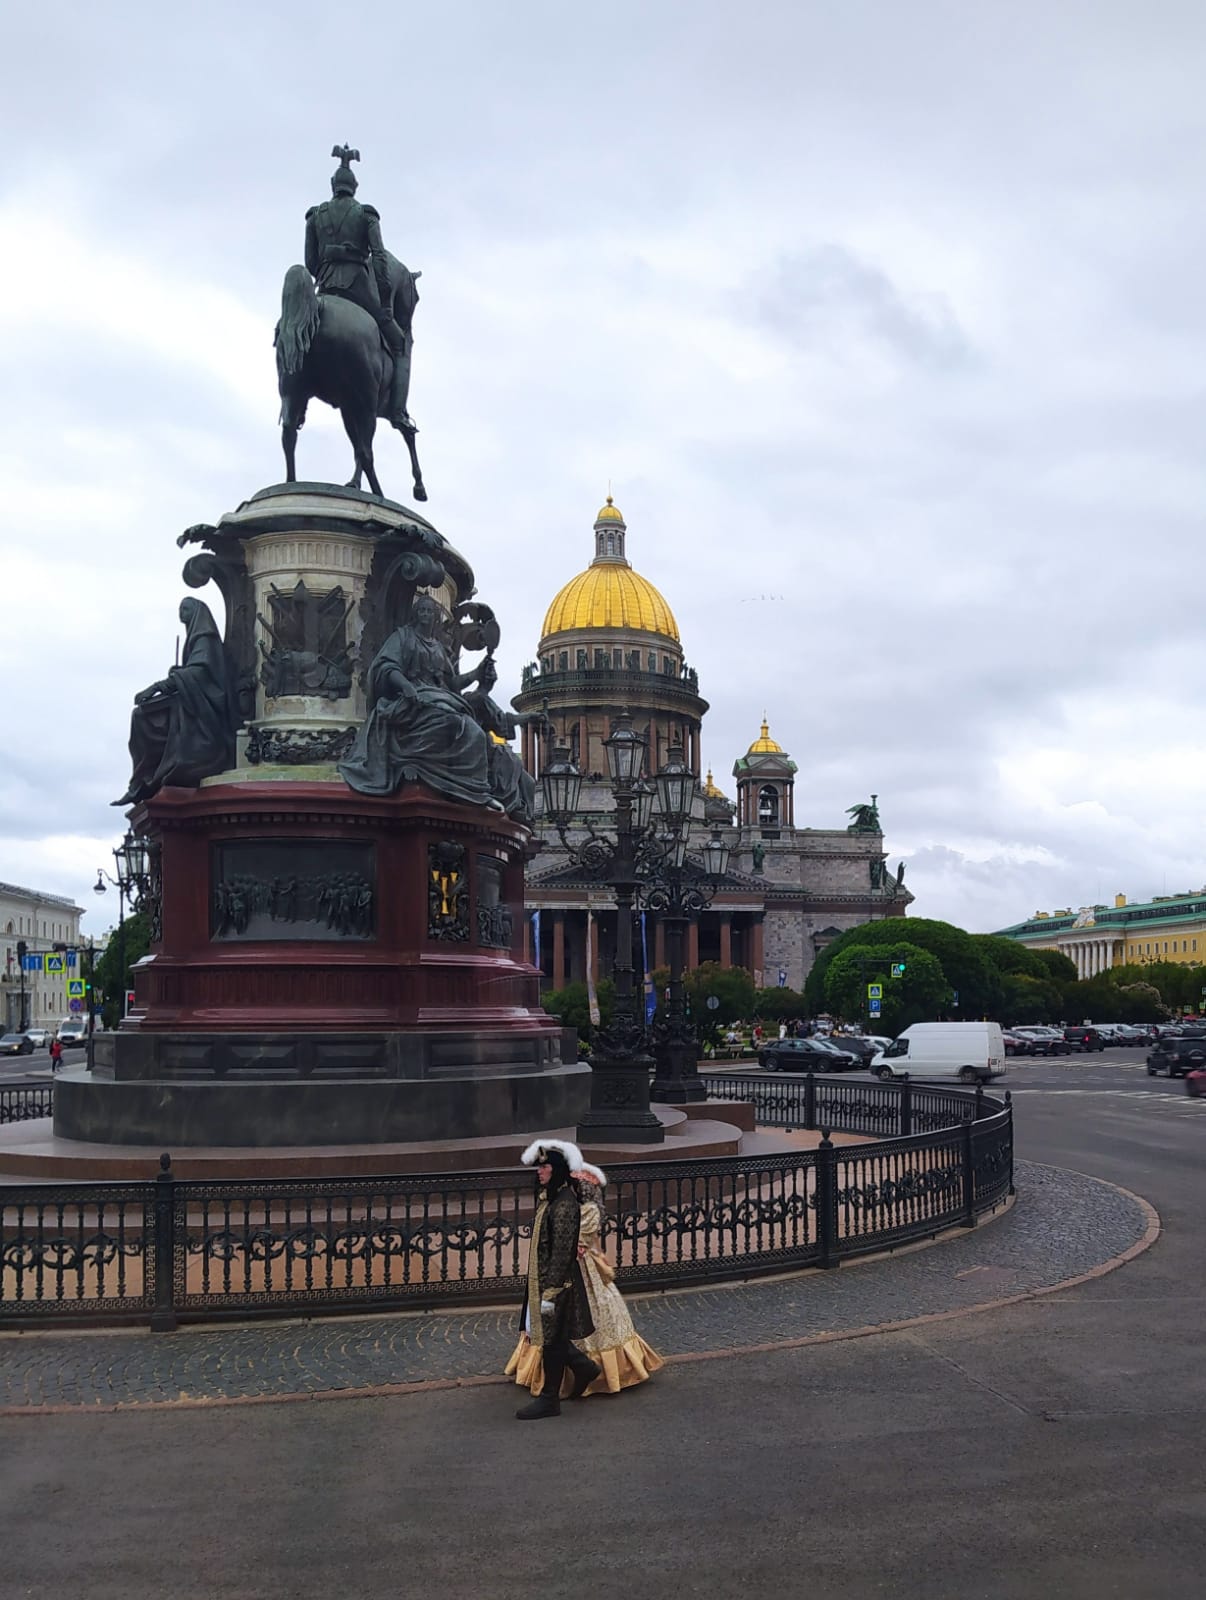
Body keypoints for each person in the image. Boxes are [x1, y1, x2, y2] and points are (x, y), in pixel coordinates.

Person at [338, 595, 497, 807]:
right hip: (413, 699)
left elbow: (452, 683)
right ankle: (414, 762)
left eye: (429, 611)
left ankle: (475, 792)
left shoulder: (438, 648)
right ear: (416, 614)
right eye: (421, 610)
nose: (425, 615)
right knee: (451, 722)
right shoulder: (403, 637)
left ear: (435, 617)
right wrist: (406, 686)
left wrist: (477, 674)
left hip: (439, 698)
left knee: (475, 732)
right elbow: (386, 666)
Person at [305, 146, 413, 430]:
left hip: (325, 286)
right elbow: (378, 257)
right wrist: (387, 306)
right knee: (400, 342)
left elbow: (310, 263)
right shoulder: (366, 215)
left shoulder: (315, 215)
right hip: (357, 287)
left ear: (333, 186)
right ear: (354, 188)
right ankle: (399, 411)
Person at [507, 1139, 599, 1420]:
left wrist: (550, 1293)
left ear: (556, 1170)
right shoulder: (551, 1200)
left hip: (555, 1287)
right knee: (552, 1336)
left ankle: (550, 1398)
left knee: (551, 1337)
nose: (540, 1171)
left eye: (545, 1167)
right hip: (543, 1283)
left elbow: (561, 1254)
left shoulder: (564, 1206)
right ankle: (583, 1367)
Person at [113, 598, 233, 806]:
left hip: (204, 705)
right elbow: (192, 673)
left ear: (196, 612)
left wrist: (158, 686)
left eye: (185, 609)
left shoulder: (205, 638)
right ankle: (141, 780)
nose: (181, 614)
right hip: (190, 698)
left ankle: (146, 779)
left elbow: (199, 672)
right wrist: (178, 676)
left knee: (142, 715)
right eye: (180, 609)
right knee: (141, 715)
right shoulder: (196, 638)